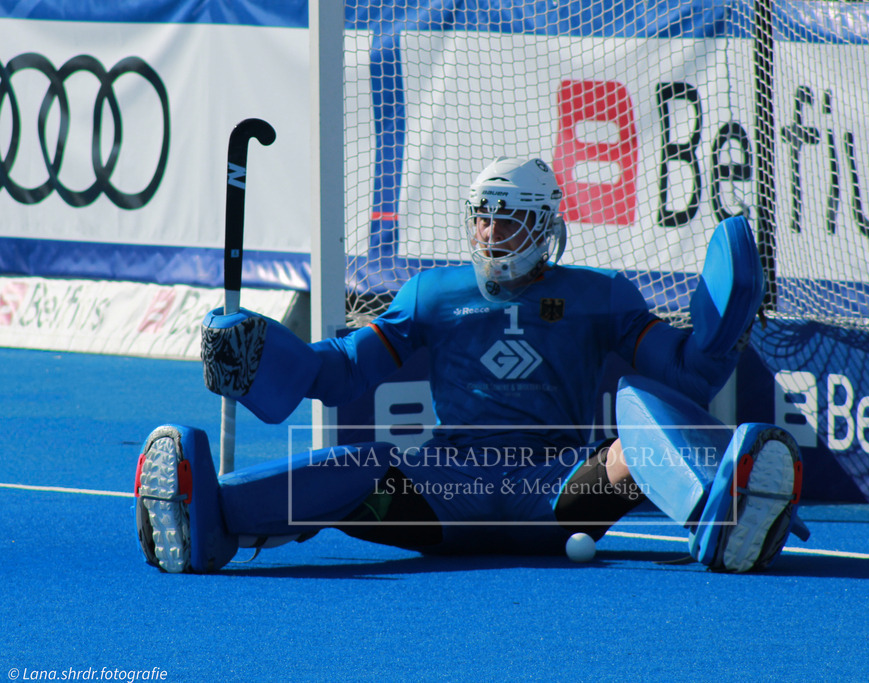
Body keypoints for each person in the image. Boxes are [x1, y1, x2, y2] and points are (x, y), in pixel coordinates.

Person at [134, 156, 806, 574]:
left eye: (507, 220)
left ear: (545, 227)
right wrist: (262, 360)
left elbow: (684, 374)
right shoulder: (432, 292)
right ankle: (209, 524)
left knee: (636, 414)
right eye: (482, 219)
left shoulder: (601, 294)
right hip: (446, 493)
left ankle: (727, 520)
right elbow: (340, 372)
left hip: (559, 494)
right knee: (358, 464)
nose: (489, 234)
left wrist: (721, 327)